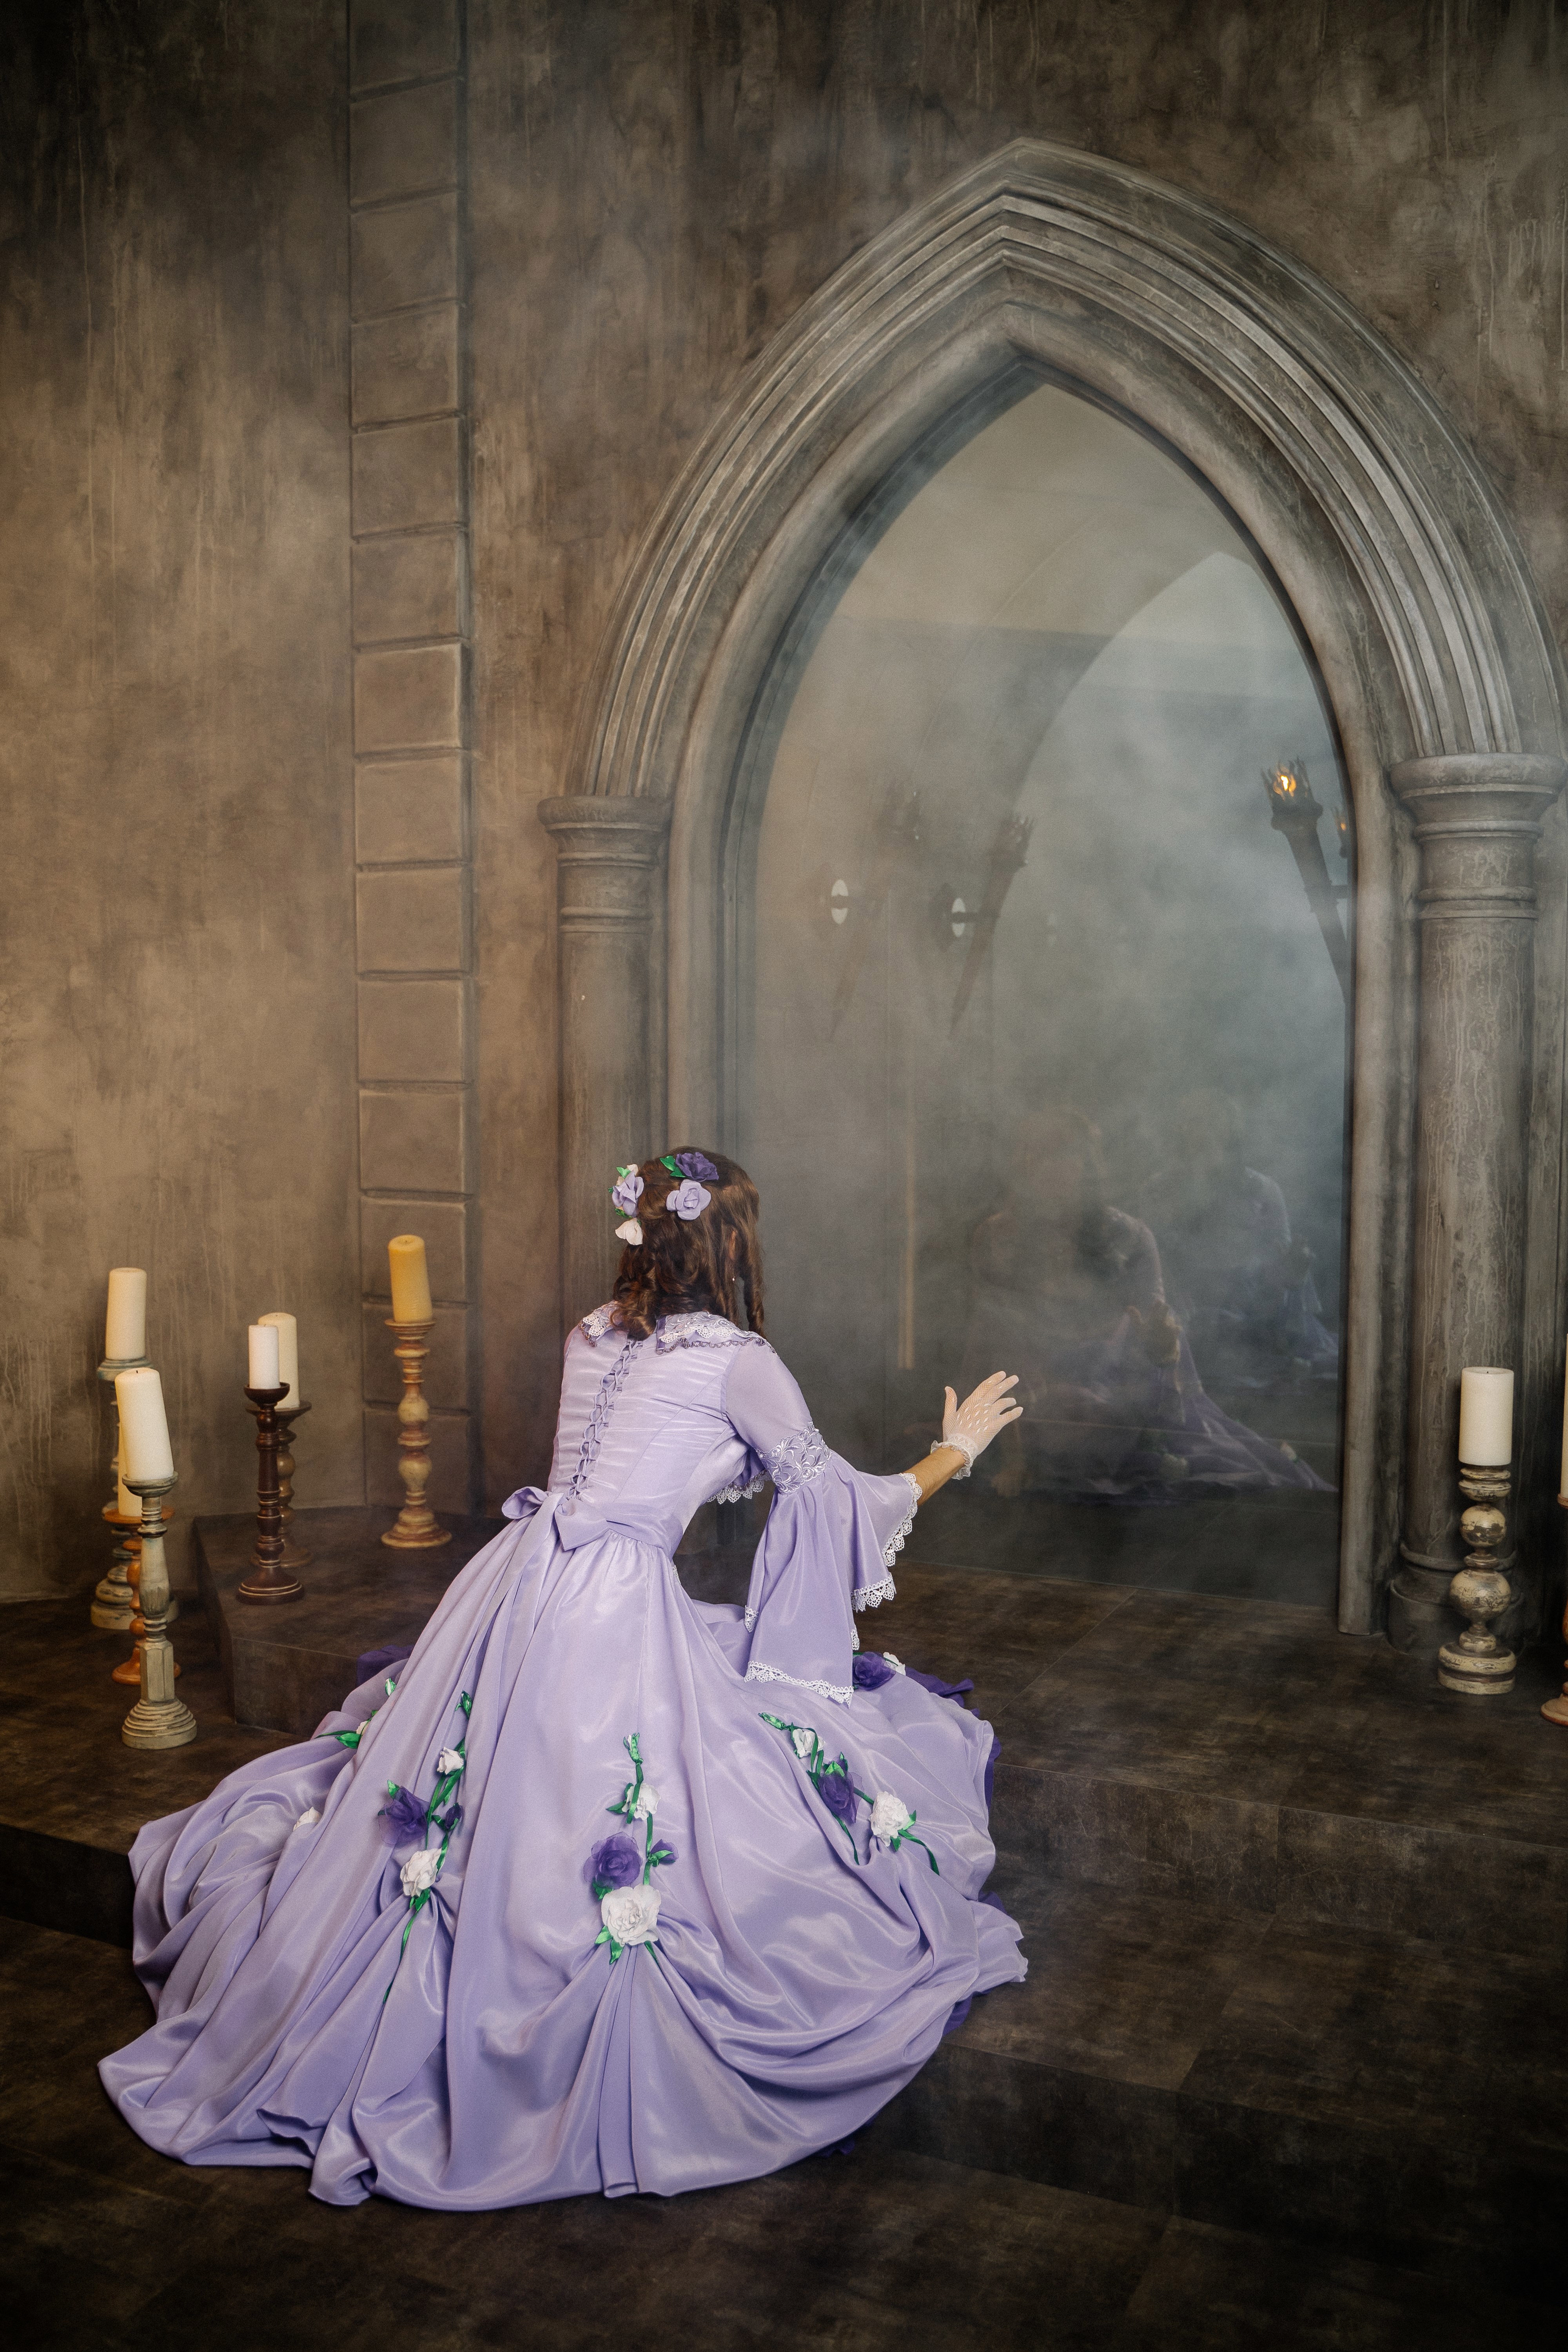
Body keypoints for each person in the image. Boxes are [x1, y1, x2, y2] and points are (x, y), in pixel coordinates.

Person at [99, 1151, 1025, 2209]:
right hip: (612, 1602)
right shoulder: (741, 1361)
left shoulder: (590, 1334)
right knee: (637, 1797)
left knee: (480, 1779)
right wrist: (954, 1451)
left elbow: (654, 1463)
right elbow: (834, 1500)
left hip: (516, 1575)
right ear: (732, 1248)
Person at [965, 1107, 1328, 1499]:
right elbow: (994, 1339)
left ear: (1087, 1165)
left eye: (1062, 1153)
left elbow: (1154, 1340)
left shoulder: (1130, 1236)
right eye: (1034, 1155)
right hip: (1028, 1392)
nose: (1047, 1168)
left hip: (1113, 1390)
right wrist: (1014, 1457)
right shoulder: (997, 1237)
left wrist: (1158, 1349)